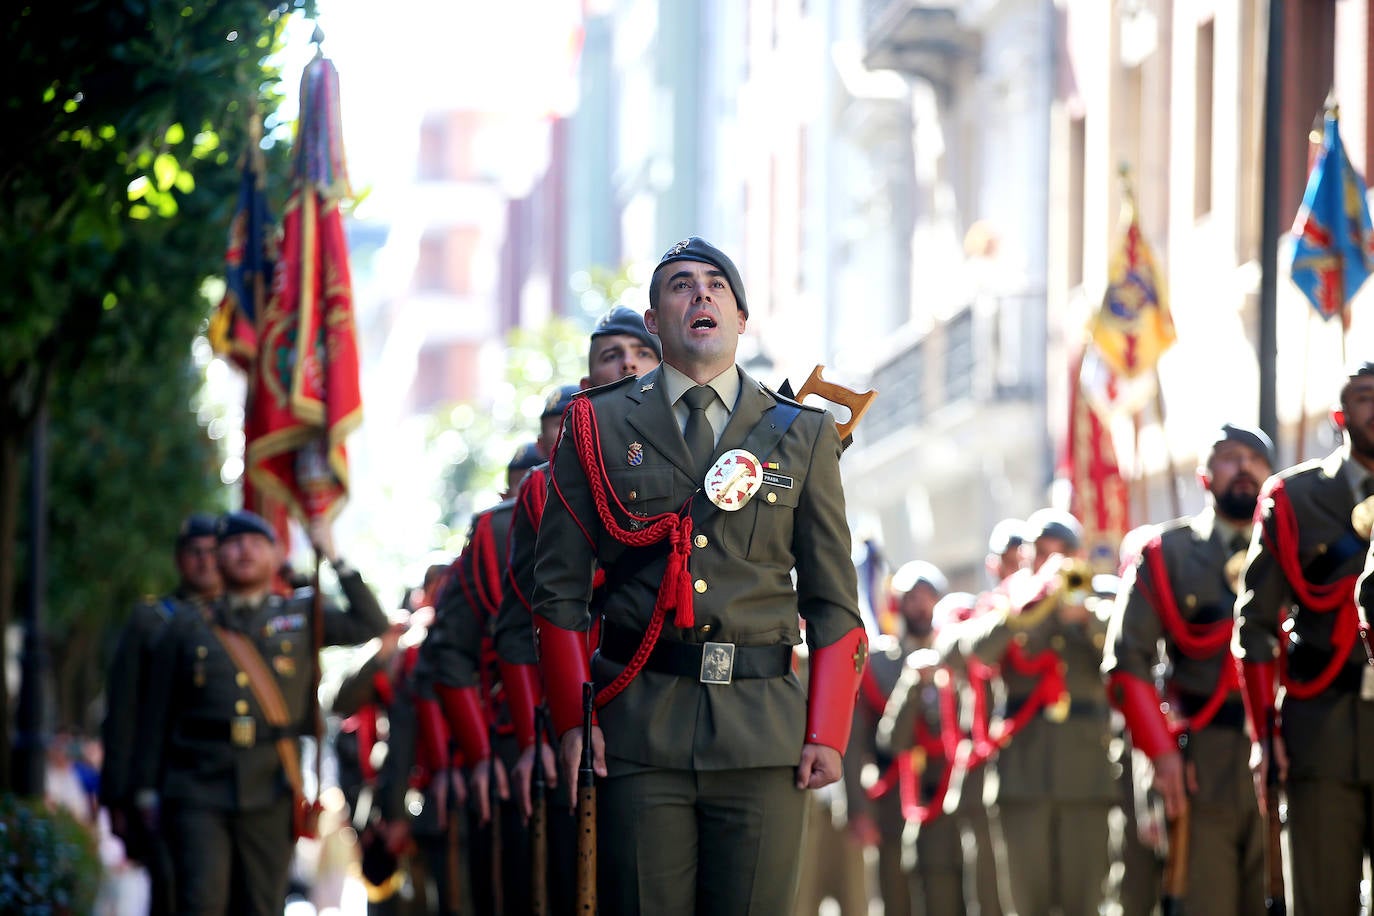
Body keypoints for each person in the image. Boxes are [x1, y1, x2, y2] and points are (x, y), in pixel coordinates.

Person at [531, 236, 866, 914]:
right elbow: (558, 592)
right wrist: (573, 721)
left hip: (763, 734)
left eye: (717, 284)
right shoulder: (595, 424)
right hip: (637, 727)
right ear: (654, 324)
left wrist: (827, 731)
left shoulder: (800, 435)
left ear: (742, 318)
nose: (701, 294)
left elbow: (834, 599)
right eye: (680, 285)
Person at [132, 509, 388, 916]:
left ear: (275, 556)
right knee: (200, 902)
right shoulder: (183, 626)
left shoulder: (302, 614)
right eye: (233, 543)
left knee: (262, 904)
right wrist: (144, 790)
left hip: (271, 785)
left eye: (256, 542)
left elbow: (371, 622)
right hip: (196, 784)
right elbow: (155, 715)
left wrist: (333, 557)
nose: (244, 550)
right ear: (218, 558)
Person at [1105, 422, 1271, 915]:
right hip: (1202, 760)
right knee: (1205, 901)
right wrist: (1161, 755)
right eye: (1228, 457)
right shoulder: (1166, 552)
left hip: (1286, 749)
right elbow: (1127, 660)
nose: (1242, 467)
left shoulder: (1295, 546)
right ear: (1204, 476)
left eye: (1255, 458)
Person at [1238, 362, 1374, 916]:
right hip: (1324, 733)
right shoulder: (1294, 497)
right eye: (1366, 398)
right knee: (1322, 899)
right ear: (1341, 416)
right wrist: (1264, 738)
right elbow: (1256, 626)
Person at [961, 508, 1115, 915]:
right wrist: (1023, 610)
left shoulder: (1095, 593)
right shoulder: (1011, 597)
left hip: (1085, 775)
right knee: (1029, 899)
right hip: (1023, 775)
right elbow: (976, 652)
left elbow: (1124, 646)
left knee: (1085, 899)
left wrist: (1084, 616)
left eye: (1062, 552)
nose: (1053, 562)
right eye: (1042, 553)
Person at [416, 441, 543, 915]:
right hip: (511, 733)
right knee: (513, 883)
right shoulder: (490, 539)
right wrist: (478, 754)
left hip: (616, 721)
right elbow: (444, 657)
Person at [100, 511, 221, 916]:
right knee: (173, 895)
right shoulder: (150, 619)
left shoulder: (244, 619)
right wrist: (117, 796)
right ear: (179, 559)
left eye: (212, 552)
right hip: (162, 783)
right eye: (194, 552)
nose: (204, 561)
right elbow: (122, 712)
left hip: (231, 783)